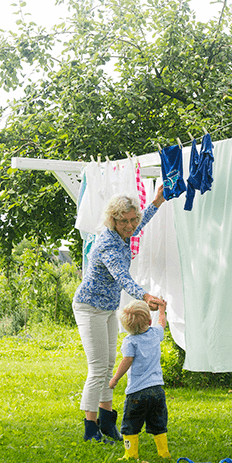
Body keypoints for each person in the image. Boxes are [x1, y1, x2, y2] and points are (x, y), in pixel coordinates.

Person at [73, 185, 166, 443]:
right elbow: (123, 278)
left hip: (107, 308)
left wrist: (156, 202)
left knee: (109, 366)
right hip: (89, 307)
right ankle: (90, 427)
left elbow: (141, 221)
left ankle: (106, 421)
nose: (130, 225)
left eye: (132, 219)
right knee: (98, 368)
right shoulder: (107, 244)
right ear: (112, 220)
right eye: (124, 221)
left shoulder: (126, 230)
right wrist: (145, 296)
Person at [109, 299, 170, 460]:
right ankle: (164, 453)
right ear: (149, 321)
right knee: (158, 423)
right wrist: (162, 310)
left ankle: (130, 454)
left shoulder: (130, 341)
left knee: (130, 424)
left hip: (137, 393)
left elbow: (127, 360)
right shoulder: (155, 334)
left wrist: (115, 379)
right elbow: (162, 323)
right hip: (157, 390)